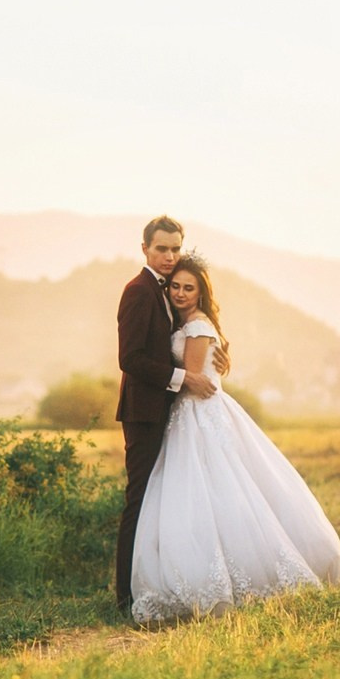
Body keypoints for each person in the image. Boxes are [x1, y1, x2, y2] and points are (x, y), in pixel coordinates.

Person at [126, 254, 340, 623]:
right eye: (177, 287)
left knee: (215, 491)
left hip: (199, 416)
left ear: (200, 292)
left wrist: (169, 378)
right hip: (192, 415)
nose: (180, 294)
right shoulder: (190, 324)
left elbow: (195, 380)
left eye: (189, 288)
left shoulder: (197, 327)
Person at [112, 215, 221, 611]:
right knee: (139, 500)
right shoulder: (139, 291)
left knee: (165, 499)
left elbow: (188, 330)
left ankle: (158, 580)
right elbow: (130, 358)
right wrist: (184, 378)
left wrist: (213, 349)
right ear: (145, 249)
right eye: (162, 249)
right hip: (144, 413)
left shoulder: (169, 291)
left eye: (175, 249)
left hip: (170, 413)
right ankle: (125, 596)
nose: (169, 256)